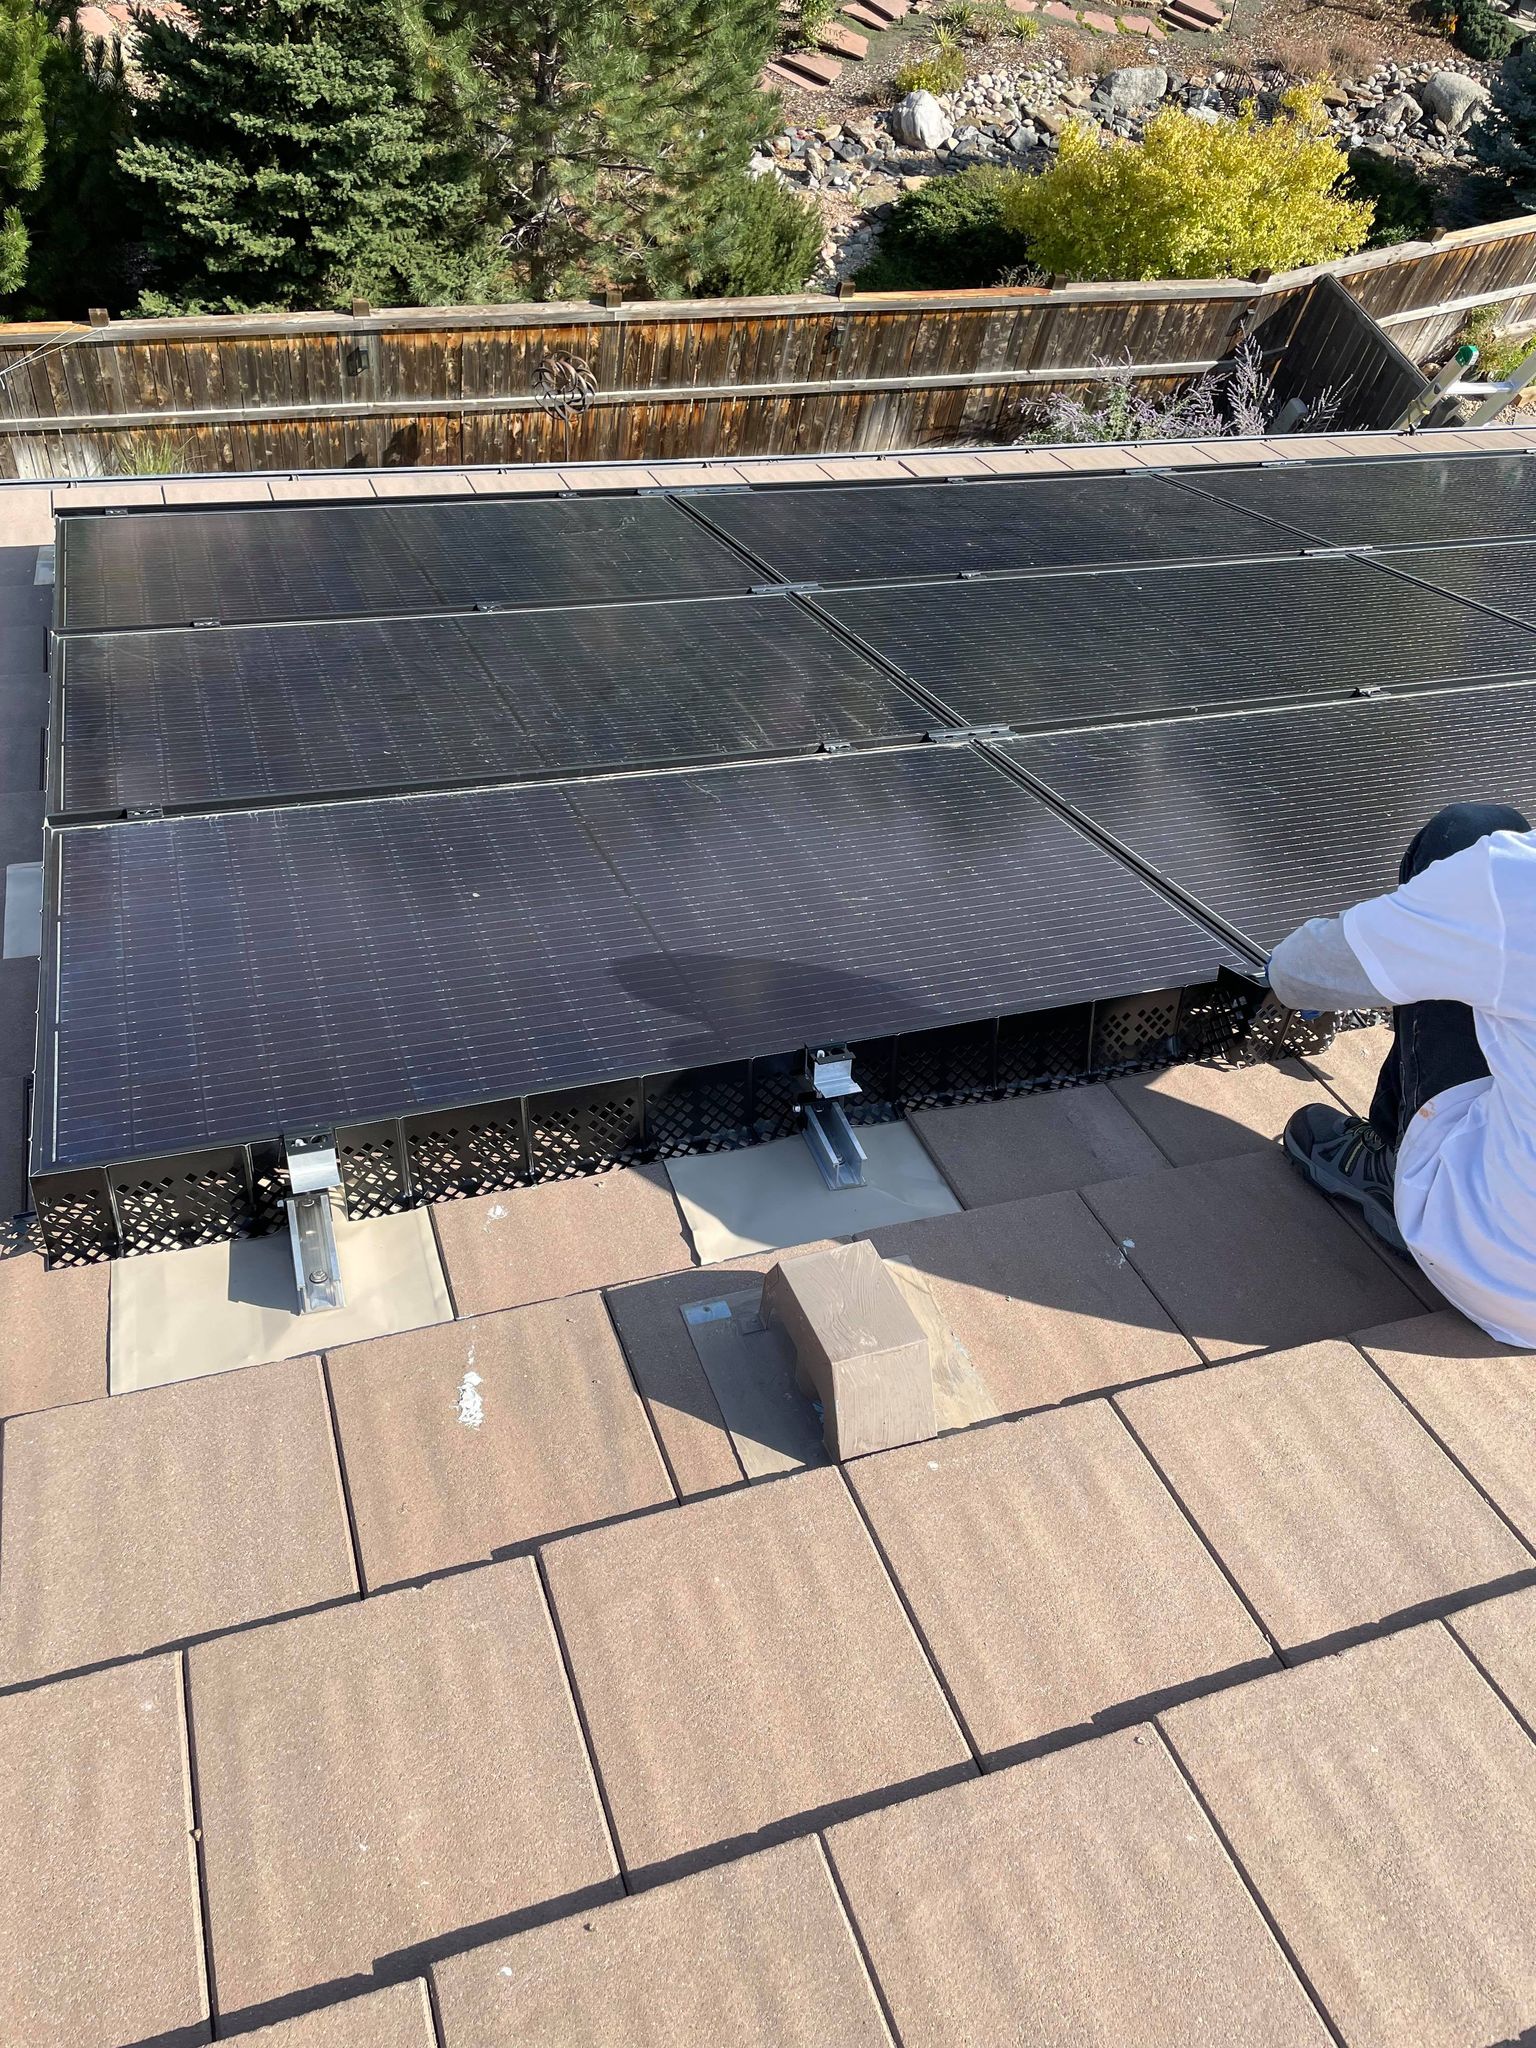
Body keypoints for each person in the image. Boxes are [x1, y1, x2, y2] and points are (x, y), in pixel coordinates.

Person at [1273, 800, 1536, 1348]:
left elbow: (1298, 975)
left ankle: (1392, 1165)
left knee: (1464, 834)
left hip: (1503, 1267)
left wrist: (1424, 938)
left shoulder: (1513, 880)